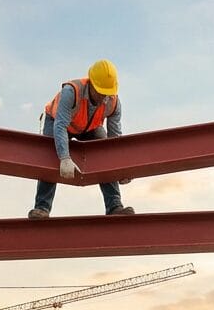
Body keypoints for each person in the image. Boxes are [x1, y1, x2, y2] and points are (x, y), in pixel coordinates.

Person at [28, 59, 135, 218]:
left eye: (107, 93)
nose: (103, 97)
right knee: (51, 152)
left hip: (89, 128)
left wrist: (119, 168)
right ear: (91, 84)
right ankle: (42, 208)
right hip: (60, 122)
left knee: (104, 152)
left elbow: (114, 142)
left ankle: (114, 206)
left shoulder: (113, 102)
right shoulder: (72, 92)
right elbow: (60, 126)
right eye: (100, 92)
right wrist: (64, 157)